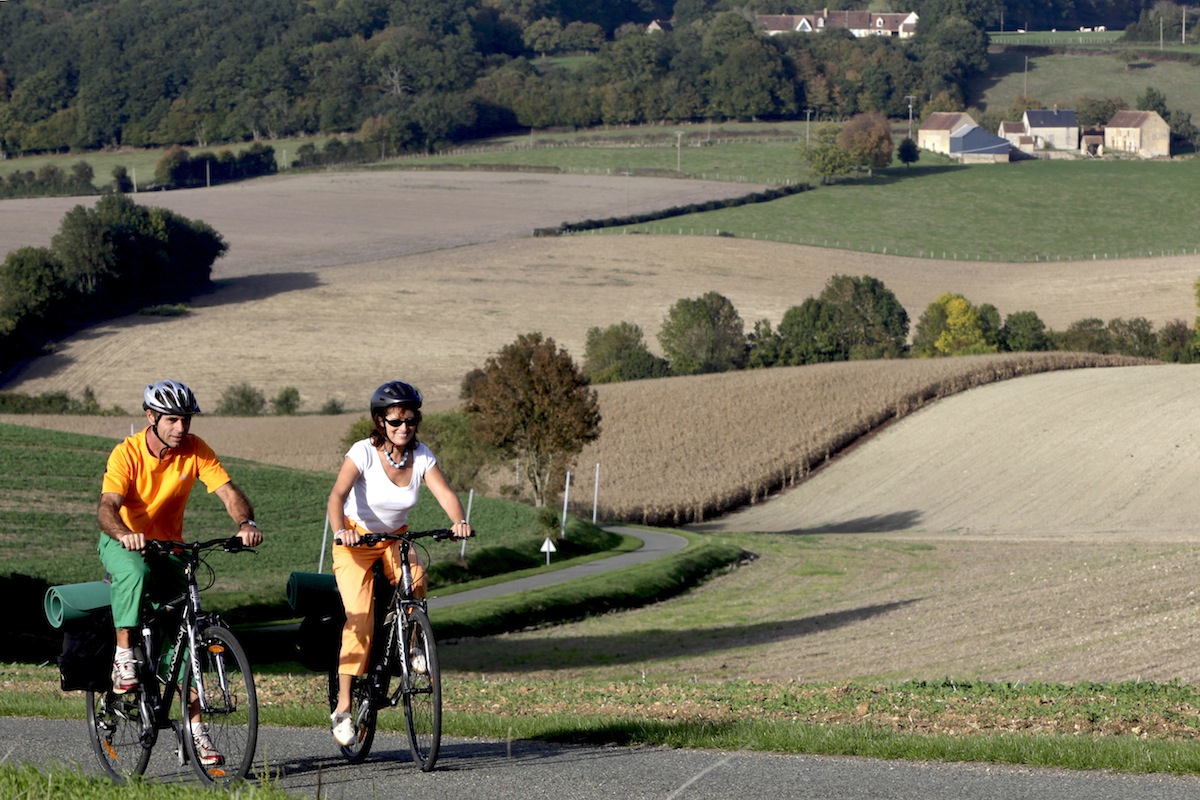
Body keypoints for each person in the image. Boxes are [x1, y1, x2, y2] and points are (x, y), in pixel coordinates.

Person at [97, 379, 265, 766]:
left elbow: (227, 491)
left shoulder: (195, 450)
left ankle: (196, 731)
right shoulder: (128, 453)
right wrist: (125, 534)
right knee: (135, 571)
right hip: (124, 542)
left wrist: (246, 522)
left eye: (185, 419)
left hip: (169, 548)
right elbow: (107, 506)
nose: (181, 428)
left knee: (185, 638)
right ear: (151, 416)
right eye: (172, 419)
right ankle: (124, 653)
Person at [326, 380, 472, 747]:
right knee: (360, 619)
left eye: (410, 421)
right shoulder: (362, 452)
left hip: (395, 538)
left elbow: (445, 493)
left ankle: (411, 644)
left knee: (417, 579)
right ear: (380, 422)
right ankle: (343, 707)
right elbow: (337, 495)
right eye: (395, 422)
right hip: (356, 541)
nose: (403, 428)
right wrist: (341, 530)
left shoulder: (421, 456)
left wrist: (459, 520)